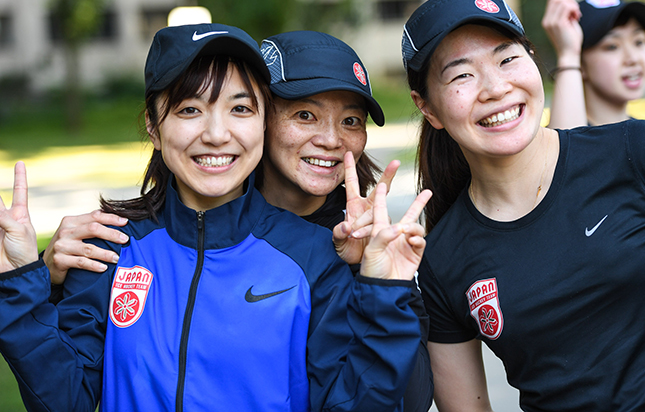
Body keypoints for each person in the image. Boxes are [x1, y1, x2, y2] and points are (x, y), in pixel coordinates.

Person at [0, 23, 432, 411]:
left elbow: (358, 402)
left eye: (240, 109)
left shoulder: (317, 258)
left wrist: (385, 287)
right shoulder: (109, 246)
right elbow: (64, 399)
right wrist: (20, 286)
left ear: (260, 122)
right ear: (153, 124)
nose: (216, 133)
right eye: (190, 109)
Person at [402, 0, 645, 411]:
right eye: (462, 75)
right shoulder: (442, 261)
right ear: (428, 109)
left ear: (533, 60)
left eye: (508, 58)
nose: (496, 87)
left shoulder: (641, 150)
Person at [542, 0, 645, 128]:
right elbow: (571, 146)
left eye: (639, 42)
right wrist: (568, 55)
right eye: (612, 46)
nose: (633, 59)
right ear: (580, 63)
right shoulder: (554, 144)